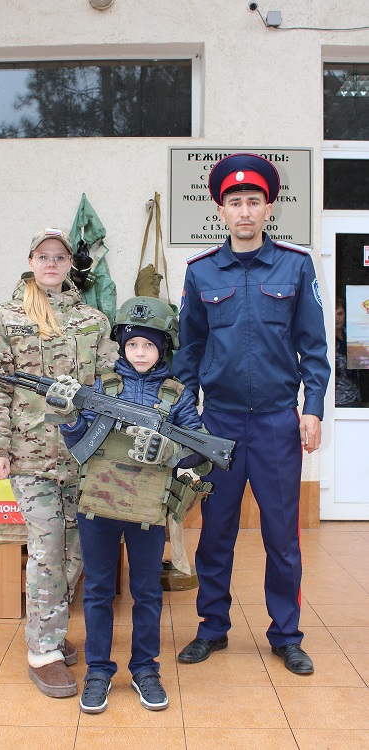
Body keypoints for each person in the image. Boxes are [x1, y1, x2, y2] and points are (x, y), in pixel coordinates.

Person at [173, 153, 330, 676]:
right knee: (215, 532)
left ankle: (286, 634)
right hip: (217, 423)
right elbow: (189, 352)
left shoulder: (295, 266)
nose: (244, 211)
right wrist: (187, 418)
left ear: (269, 208)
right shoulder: (201, 272)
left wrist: (312, 409)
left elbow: (314, 347)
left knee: (281, 535)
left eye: (253, 201)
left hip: (276, 423)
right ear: (221, 210)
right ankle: (211, 628)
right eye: (235, 202)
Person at [0, 227, 117, 698]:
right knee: (48, 548)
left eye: (59, 256)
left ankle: (48, 625)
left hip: (83, 457)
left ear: (69, 264)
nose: (51, 263)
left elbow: (111, 383)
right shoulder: (6, 317)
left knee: (76, 552)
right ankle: (44, 651)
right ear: (31, 261)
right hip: (31, 458)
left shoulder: (93, 320)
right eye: (43, 256)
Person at [52, 297, 211, 713]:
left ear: (164, 348)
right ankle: (98, 671)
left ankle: (145, 669)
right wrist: (69, 418)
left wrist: (170, 452)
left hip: (147, 511)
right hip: (98, 506)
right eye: (132, 344)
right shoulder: (101, 387)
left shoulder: (177, 395)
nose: (140, 353)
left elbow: (200, 448)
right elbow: (81, 444)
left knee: (147, 593)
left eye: (149, 345)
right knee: (98, 591)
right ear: (121, 346)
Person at [335, 296, 362, 406]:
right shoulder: (326, 340)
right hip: (337, 401)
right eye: (334, 314)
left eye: (340, 314)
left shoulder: (353, 335)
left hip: (356, 397)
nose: (337, 318)